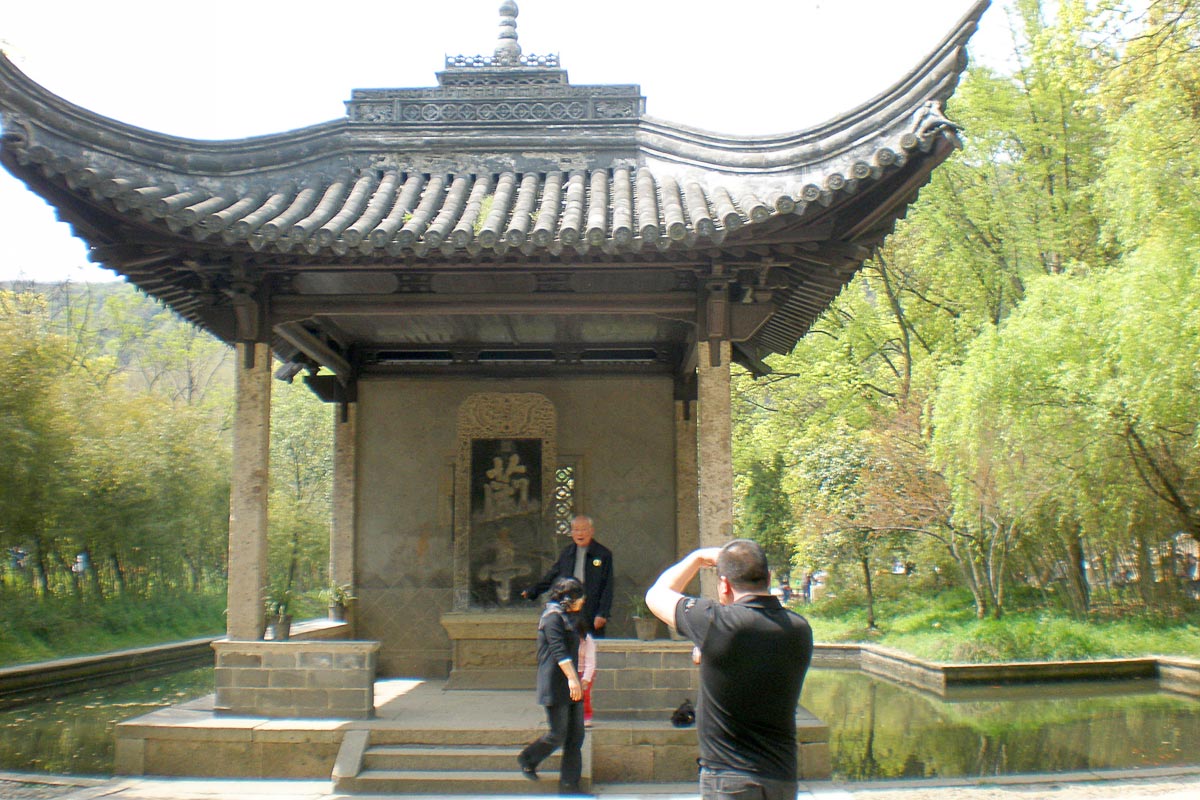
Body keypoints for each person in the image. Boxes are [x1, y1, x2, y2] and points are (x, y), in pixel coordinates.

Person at [646, 540, 813, 800]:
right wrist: (712, 653)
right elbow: (756, 661)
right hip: (781, 778)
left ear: (723, 584)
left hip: (729, 778)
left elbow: (656, 595)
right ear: (768, 578)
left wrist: (698, 558)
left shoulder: (717, 623)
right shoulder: (800, 629)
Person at [517, 576, 586, 794]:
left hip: (571, 682)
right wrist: (573, 679)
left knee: (576, 736)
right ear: (568, 598)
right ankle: (528, 757)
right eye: (579, 598)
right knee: (558, 733)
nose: (582, 602)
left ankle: (569, 785)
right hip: (557, 683)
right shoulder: (552, 617)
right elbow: (558, 651)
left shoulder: (569, 617)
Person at [523, 515, 613, 636]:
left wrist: (602, 614)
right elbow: (552, 575)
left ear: (591, 531)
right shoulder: (567, 553)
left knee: (591, 646)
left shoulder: (603, 554)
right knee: (570, 643)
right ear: (571, 532)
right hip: (569, 608)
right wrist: (533, 591)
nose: (580, 533)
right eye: (576, 530)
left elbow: (607, 587)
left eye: (583, 529)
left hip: (591, 609)